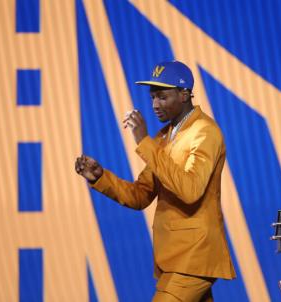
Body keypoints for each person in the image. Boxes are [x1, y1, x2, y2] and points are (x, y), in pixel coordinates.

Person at [75, 61, 236, 301]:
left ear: (184, 94)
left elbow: (190, 190)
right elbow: (140, 195)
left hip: (193, 256)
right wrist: (101, 178)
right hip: (174, 257)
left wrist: (143, 140)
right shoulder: (164, 137)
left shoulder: (204, 132)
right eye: (152, 98)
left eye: (162, 97)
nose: (154, 105)